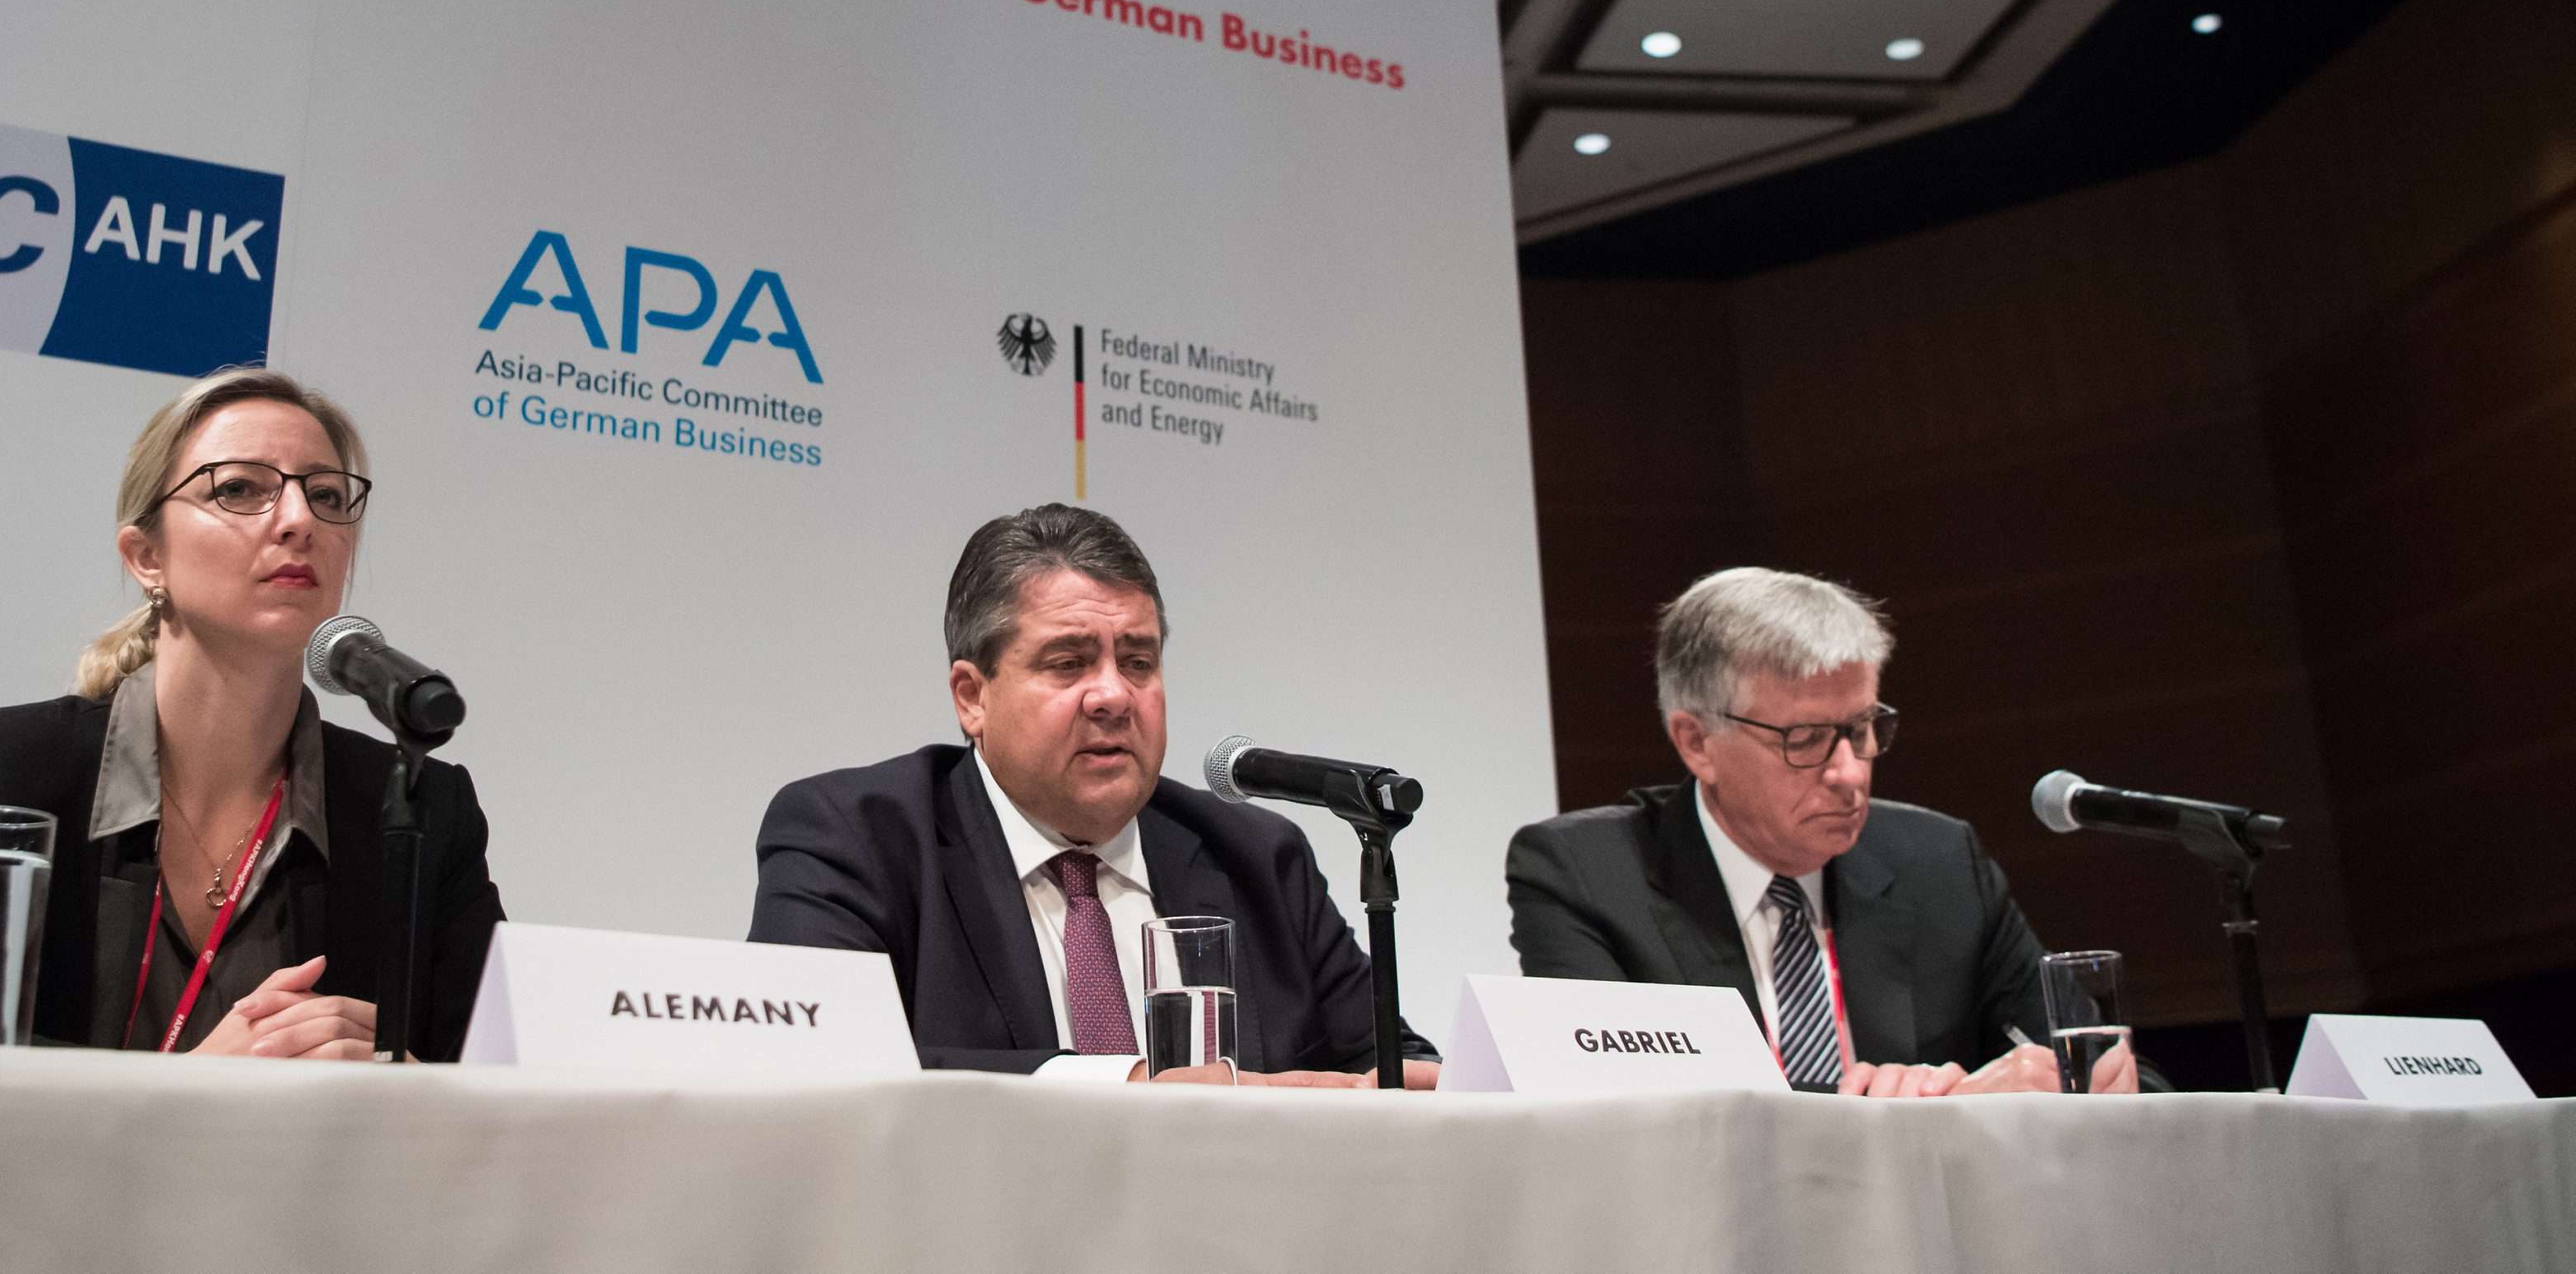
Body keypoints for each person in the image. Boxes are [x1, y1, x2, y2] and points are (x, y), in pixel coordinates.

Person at [0, 365, 505, 1056]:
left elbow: (505, 1091)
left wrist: (415, 1092)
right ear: (146, 556)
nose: (298, 520)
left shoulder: (422, 807)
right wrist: (185, 1098)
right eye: (239, 488)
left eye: (326, 494)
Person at [749, 502, 1435, 1084]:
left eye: (1138, 661)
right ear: (972, 696)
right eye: (1069, 662)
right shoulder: (853, 838)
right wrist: (1132, 1084)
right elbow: (813, 1069)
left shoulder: (1257, 856)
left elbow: (1393, 1065)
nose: (1113, 694)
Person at [1506, 566, 2138, 1096]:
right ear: (1697, 742)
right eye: (1804, 739)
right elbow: (1609, 1116)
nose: (1849, 771)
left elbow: (2124, 1080)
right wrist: (1910, 1117)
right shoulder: (1585, 876)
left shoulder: (1940, 863)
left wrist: (2073, 1083)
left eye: (1862, 728)